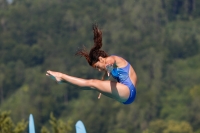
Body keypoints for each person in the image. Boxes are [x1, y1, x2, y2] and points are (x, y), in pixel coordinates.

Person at [46, 24, 137, 104]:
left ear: (101, 59)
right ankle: (63, 80)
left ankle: (61, 76)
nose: (99, 69)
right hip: (128, 95)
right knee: (92, 86)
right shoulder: (110, 68)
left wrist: (109, 67)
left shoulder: (112, 59)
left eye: (97, 66)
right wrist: (102, 88)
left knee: (92, 83)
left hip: (128, 90)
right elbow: (105, 77)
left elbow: (110, 61)